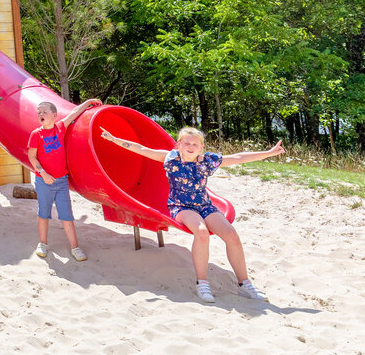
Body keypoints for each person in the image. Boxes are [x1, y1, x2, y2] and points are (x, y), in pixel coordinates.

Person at [100, 126, 284, 302]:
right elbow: (140, 148)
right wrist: (114, 139)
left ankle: (245, 284)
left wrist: (268, 153)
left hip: (204, 205)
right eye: (186, 143)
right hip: (181, 206)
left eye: (195, 144)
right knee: (202, 232)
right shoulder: (170, 158)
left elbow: (237, 157)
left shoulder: (207, 161)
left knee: (231, 235)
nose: (190, 147)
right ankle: (202, 283)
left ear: (201, 147)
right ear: (178, 144)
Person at [27, 98, 102, 262]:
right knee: (43, 214)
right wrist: (43, 173)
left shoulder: (60, 127)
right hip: (44, 181)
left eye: (44, 112)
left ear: (54, 115)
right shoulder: (36, 134)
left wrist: (88, 102)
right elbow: (31, 157)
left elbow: (74, 113)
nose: (41, 114)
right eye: (39, 112)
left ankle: (75, 247)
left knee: (66, 215)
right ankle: (43, 244)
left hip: (61, 182)